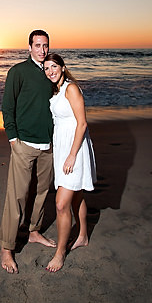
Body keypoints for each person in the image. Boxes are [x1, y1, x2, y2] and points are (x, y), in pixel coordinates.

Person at [0, 30, 56, 273]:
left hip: (49, 146)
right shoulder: (18, 71)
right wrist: (12, 137)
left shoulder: (52, 71)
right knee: (18, 196)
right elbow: (7, 106)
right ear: (29, 47)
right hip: (23, 144)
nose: (42, 50)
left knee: (42, 192)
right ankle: (6, 248)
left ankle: (33, 231)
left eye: (45, 46)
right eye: (38, 45)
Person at [43, 52, 96, 272]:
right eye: (46, 68)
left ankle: (60, 252)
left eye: (54, 66)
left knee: (61, 203)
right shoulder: (56, 91)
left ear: (63, 67)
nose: (50, 71)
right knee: (77, 196)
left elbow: (82, 124)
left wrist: (72, 154)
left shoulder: (71, 88)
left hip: (74, 149)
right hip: (63, 148)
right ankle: (82, 235)